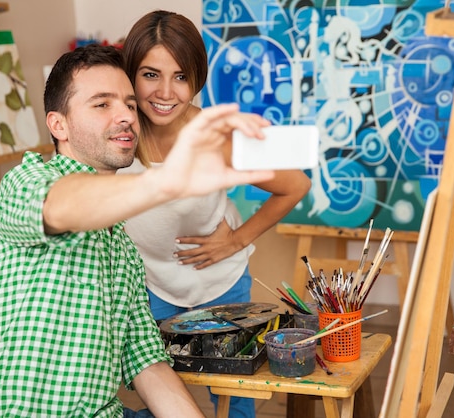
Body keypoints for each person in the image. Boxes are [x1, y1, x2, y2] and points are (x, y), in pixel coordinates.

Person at [0, 44, 275, 418]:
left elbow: (149, 365)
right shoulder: (26, 182)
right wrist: (168, 182)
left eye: (129, 104)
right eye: (102, 104)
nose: (125, 115)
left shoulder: (123, 250)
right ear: (57, 124)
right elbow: (62, 204)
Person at [121, 11, 312, 418]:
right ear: (130, 75)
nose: (166, 92)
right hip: (151, 287)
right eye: (150, 75)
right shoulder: (119, 132)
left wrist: (239, 238)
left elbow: (296, 184)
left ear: (197, 80)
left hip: (221, 285)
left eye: (181, 77)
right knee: (162, 395)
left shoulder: (217, 135)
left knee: (234, 400)